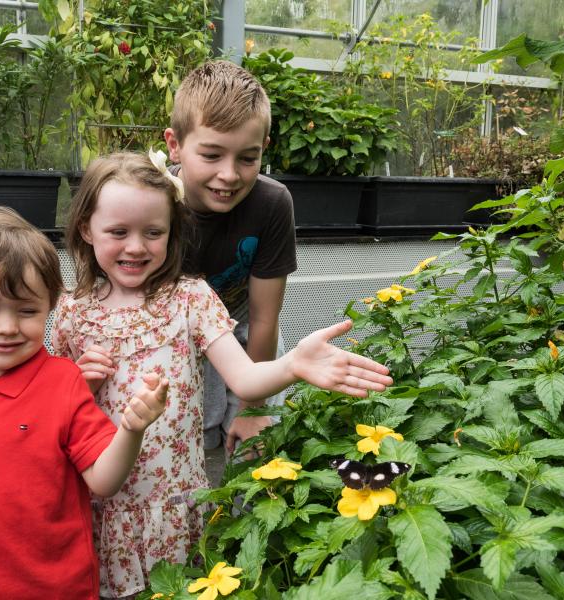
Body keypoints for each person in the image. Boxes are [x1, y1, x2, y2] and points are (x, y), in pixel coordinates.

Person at [52, 151, 393, 598]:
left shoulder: (191, 298)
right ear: (85, 229)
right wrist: (79, 386)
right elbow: (53, 411)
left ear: (171, 232)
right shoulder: (72, 312)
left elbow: (244, 379)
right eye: (118, 232)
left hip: (173, 507)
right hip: (100, 507)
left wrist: (293, 365)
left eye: (153, 232)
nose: (136, 246)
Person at [0, 207, 168, 599]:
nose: (8, 327)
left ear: (49, 306)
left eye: (27, 310)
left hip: (61, 589)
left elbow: (103, 480)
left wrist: (131, 429)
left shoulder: (63, 383)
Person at [164, 59, 295, 455]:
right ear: (175, 145)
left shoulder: (272, 204)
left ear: (263, 150)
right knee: (190, 443)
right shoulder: (153, 202)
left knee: (255, 444)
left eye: (246, 158)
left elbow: (263, 318)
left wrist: (252, 407)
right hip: (176, 339)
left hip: (245, 336)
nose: (229, 175)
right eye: (211, 155)